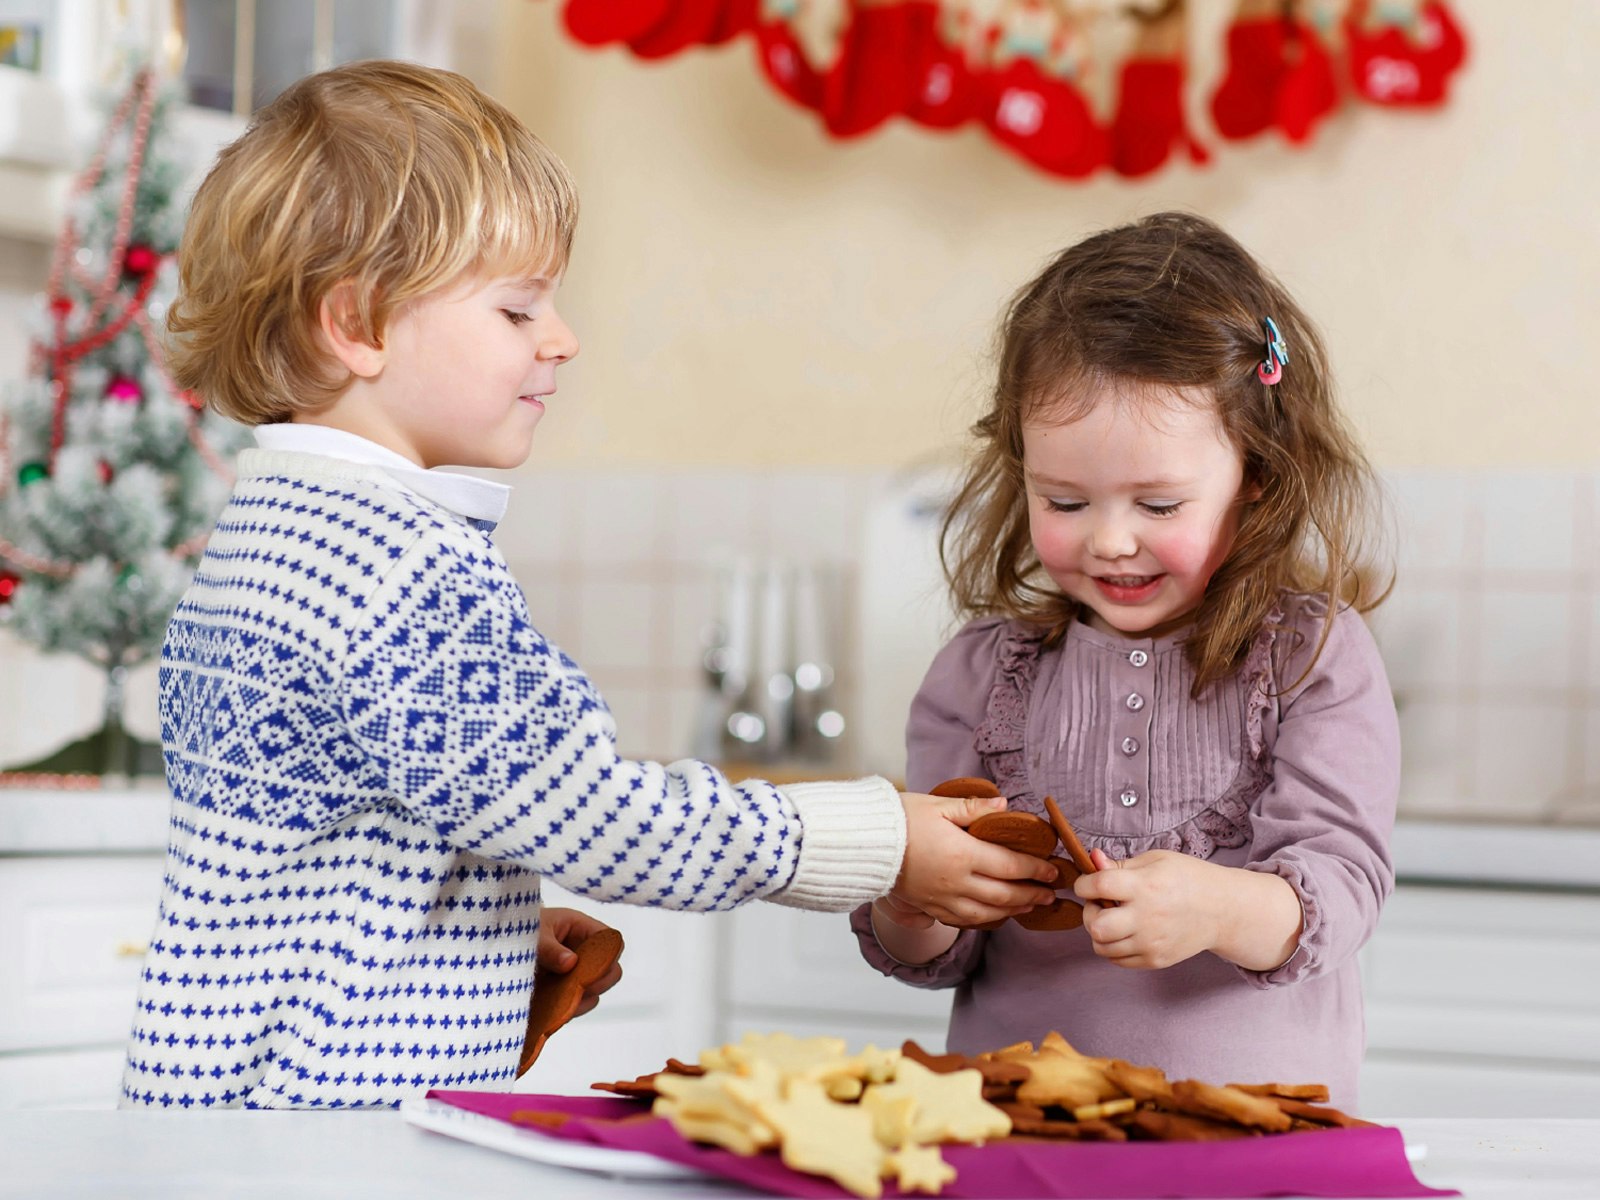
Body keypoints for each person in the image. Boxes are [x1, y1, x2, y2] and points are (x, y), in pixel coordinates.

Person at [120, 60, 1058, 1111]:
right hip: (326, 1148)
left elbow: (329, 859)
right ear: (360, 324)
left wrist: (480, 944)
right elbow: (594, 815)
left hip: (229, 1116)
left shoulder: (272, 533)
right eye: (519, 311)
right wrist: (874, 839)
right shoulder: (393, 566)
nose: (561, 338)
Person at [852, 211, 1399, 1110]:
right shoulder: (979, 676)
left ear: (1255, 475)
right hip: (1020, 1132)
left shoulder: (1312, 657)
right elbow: (929, 957)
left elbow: (1340, 890)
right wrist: (909, 903)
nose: (1110, 542)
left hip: (1255, 1135)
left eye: (1158, 503)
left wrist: (1218, 909)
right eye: (1065, 499)